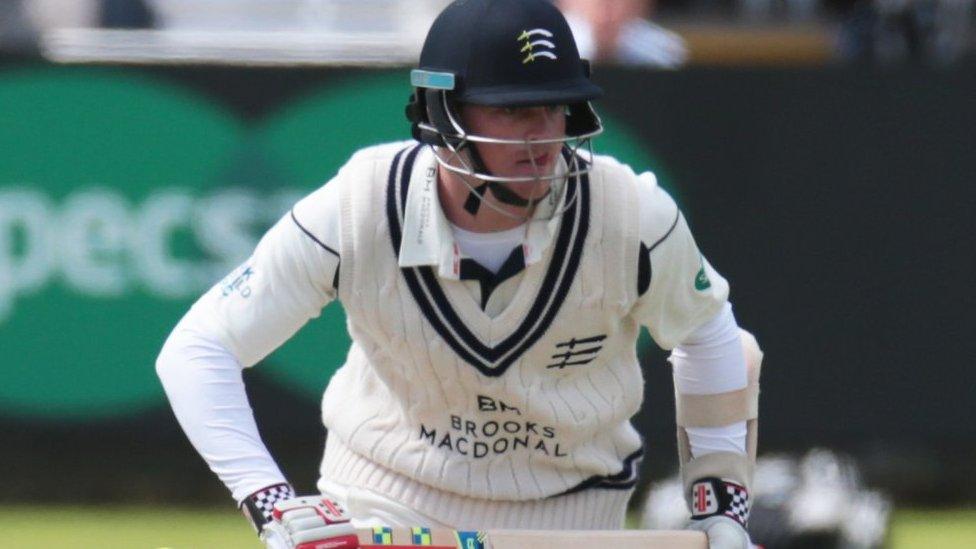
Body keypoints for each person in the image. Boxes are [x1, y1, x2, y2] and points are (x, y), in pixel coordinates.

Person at [156, 1, 762, 548]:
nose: (542, 138)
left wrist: (721, 506)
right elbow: (198, 347)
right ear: (441, 113)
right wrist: (269, 500)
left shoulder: (630, 214)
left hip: (574, 522)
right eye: (513, 112)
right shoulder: (363, 204)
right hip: (384, 510)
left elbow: (710, 335)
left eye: (553, 108)